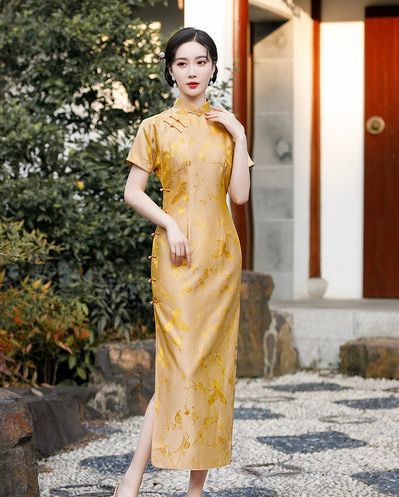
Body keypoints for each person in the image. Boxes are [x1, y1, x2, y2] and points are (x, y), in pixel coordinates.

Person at [115, 27, 253, 497]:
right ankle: (132, 478)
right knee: (179, 366)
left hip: (221, 261)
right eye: (182, 63)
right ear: (170, 70)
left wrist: (239, 135)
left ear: (213, 67)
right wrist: (171, 224)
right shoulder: (154, 127)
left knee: (213, 369)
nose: (191, 71)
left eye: (200, 62)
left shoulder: (227, 127)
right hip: (175, 261)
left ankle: (195, 490)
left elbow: (239, 196)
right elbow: (133, 192)